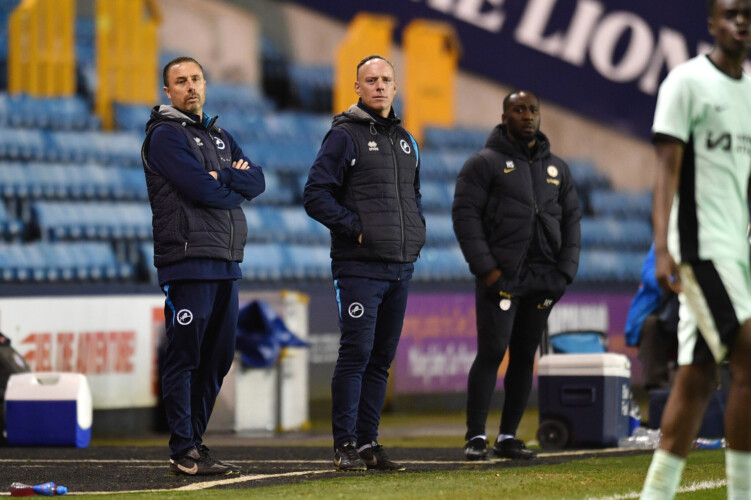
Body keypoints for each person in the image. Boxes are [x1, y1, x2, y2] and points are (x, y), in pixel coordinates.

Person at [640, 1, 751, 498]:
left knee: (698, 379)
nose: (741, 21)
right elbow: (666, 170)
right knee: (748, 358)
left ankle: (655, 494)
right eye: (731, 14)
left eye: (748, 14)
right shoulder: (685, 83)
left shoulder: (750, 92)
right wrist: (663, 247)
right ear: (711, 24)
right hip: (700, 248)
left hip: (735, 252)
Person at [141, 56, 265, 476]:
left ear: (205, 84)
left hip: (227, 260)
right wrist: (230, 182)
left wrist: (221, 176)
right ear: (168, 91)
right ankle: (183, 449)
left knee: (218, 359)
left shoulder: (220, 136)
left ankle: (194, 444)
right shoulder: (164, 135)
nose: (190, 86)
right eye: (180, 81)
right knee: (185, 356)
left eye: (195, 78)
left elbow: (258, 181)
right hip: (187, 260)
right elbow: (200, 190)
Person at [303, 55, 426, 472]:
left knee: (381, 358)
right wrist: (357, 229)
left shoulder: (407, 140)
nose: (379, 86)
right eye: (370, 80)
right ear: (357, 87)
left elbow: (413, 196)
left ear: (395, 86)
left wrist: (417, 230)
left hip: (400, 265)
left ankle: (369, 442)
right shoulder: (343, 135)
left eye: (386, 79)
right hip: (359, 266)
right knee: (356, 352)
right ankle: (345, 445)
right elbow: (315, 195)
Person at [452, 90, 581, 461]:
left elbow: (572, 220)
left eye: (533, 110)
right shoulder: (483, 163)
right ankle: (476, 437)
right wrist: (488, 270)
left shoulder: (558, 168)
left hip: (544, 279)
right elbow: (465, 217)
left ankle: (507, 437)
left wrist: (564, 273)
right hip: (502, 278)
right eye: (519, 110)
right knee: (492, 352)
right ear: (504, 116)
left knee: (525, 356)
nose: (527, 116)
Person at [624, 244, 679, 391]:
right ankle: (656, 391)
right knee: (651, 324)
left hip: (690, 314)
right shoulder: (663, 245)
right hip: (661, 312)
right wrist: (677, 281)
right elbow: (651, 275)